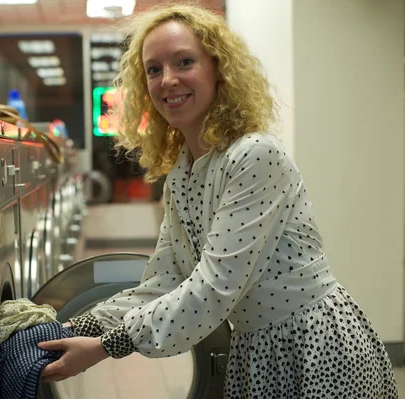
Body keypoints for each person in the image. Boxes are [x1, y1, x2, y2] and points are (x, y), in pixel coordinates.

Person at [38, 3, 398, 397]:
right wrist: (74, 327)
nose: (167, 80)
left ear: (218, 69)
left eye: (184, 62)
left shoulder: (254, 156)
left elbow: (213, 288)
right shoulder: (183, 174)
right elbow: (163, 282)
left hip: (315, 349)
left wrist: (109, 347)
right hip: (256, 351)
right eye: (153, 70)